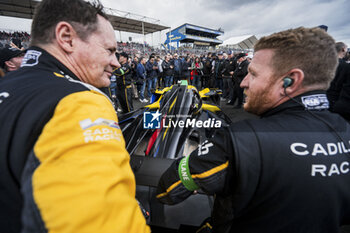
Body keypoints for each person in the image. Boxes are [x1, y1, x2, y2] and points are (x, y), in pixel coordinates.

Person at [156, 27, 350, 233]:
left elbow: (167, 191)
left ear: (290, 80)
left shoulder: (241, 140)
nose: (243, 82)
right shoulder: (345, 131)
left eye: (253, 74)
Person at [0, 0, 150, 233]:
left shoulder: (8, 85)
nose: (114, 62)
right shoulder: (80, 101)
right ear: (67, 38)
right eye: (109, 50)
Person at [327, 42, 350, 121]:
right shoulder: (346, 67)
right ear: (343, 49)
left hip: (321, 100)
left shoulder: (324, 64)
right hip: (336, 104)